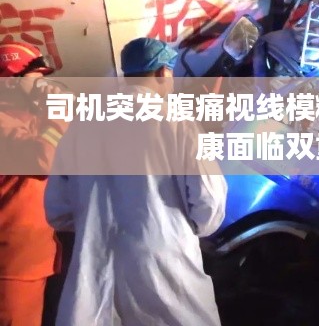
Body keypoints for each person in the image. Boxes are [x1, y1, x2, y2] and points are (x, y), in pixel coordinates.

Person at [44, 37, 228, 325]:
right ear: (163, 72)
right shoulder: (179, 123)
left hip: (95, 263)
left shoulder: (81, 126)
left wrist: (94, 226)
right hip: (164, 260)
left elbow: (57, 209)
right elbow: (209, 201)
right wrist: (189, 229)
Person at [0, 41, 68, 326]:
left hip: (40, 254)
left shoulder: (28, 116)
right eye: (35, 79)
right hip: (13, 263)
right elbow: (44, 159)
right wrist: (59, 114)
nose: (43, 86)